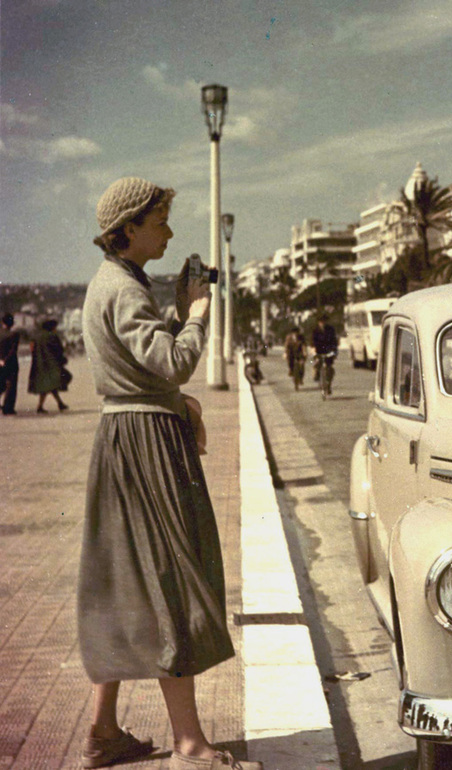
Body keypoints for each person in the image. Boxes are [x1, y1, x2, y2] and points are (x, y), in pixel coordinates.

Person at [79, 177, 258, 770]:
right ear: (128, 229)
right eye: (159, 223)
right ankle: (190, 745)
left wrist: (179, 318)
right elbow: (176, 362)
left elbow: (144, 372)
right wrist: (199, 314)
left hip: (124, 438)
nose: (169, 233)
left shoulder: (111, 282)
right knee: (171, 581)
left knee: (127, 584)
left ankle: (104, 732)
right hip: (148, 446)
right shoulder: (125, 291)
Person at [28, 318, 69, 414]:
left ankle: (58, 403)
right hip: (51, 365)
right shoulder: (52, 336)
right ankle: (43, 406)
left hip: (39, 365)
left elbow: (32, 348)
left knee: (48, 385)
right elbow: (59, 350)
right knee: (51, 384)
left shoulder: (36, 336)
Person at [0, 313, 20, 415]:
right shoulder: (14, 334)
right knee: (11, 386)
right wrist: (5, 360)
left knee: (1, 384)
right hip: (11, 363)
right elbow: (13, 350)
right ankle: (8, 408)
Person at [311, 314, 338, 383]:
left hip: (328, 350)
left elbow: (334, 341)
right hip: (318, 350)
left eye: (323, 321)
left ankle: (329, 380)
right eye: (321, 321)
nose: (322, 323)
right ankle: (316, 375)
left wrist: (334, 351)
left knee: (330, 367)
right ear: (318, 322)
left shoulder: (330, 329)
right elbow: (312, 342)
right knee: (317, 363)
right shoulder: (315, 330)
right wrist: (314, 351)